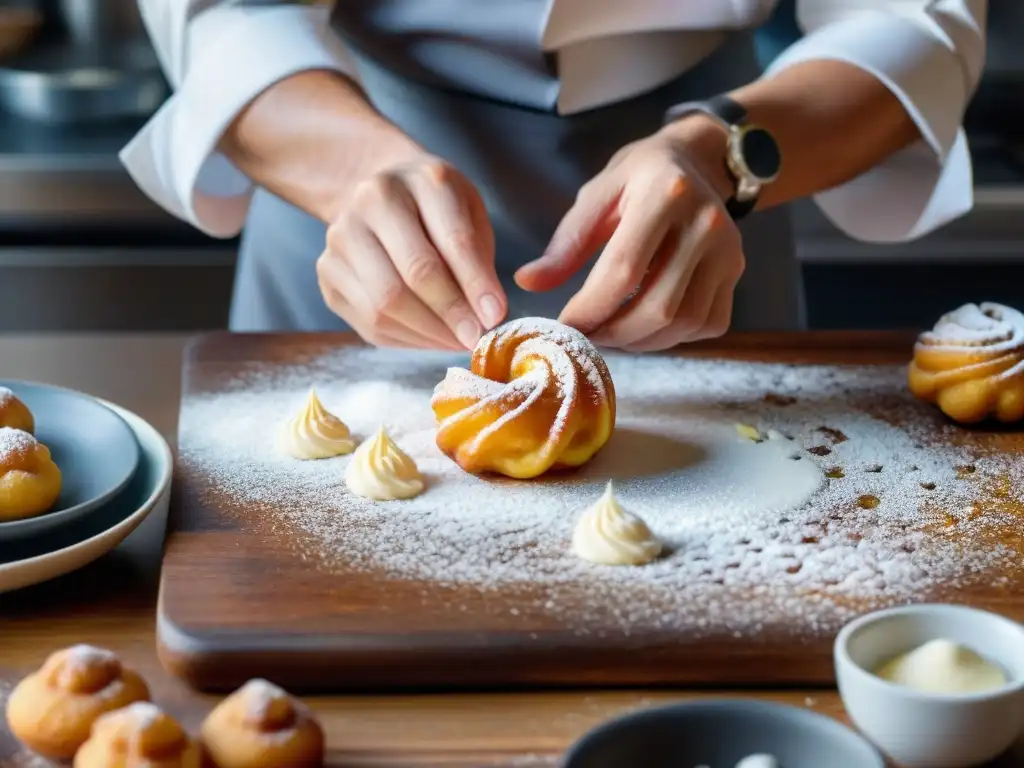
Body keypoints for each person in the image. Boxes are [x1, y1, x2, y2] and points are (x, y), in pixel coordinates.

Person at [123, 1, 986, 352]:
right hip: (344, 176)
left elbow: (915, 18)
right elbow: (222, 12)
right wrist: (357, 173)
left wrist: (720, 152)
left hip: (716, 193)